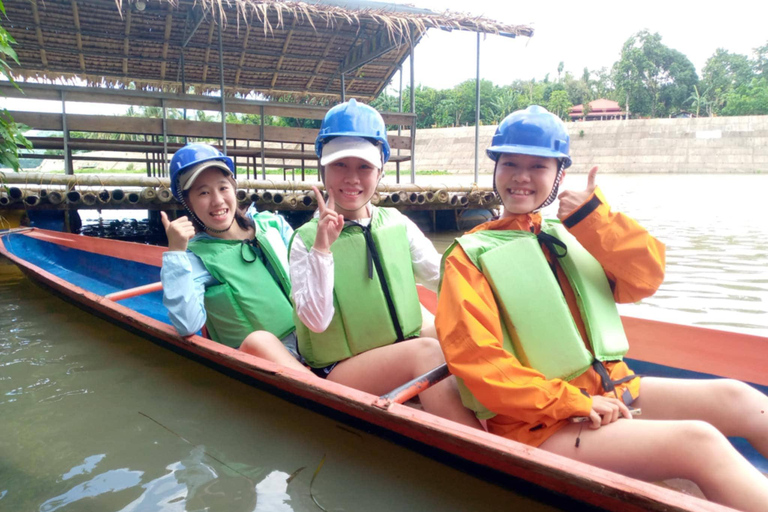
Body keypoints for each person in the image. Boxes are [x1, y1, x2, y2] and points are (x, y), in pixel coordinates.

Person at [435, 105, 768, 511]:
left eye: (538, 166)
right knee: (698, 443)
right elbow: (479, 363)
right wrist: (577, 403)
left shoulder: (574, 230)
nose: (521, 177)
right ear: (495, 168)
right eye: (510, 164)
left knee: (743, 399)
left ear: (559, 174)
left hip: (612, 389)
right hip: (541, 425)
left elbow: (645, 279)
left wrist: (596, 218)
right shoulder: (468, 257)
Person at [289, 99, 480, 428]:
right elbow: (316, 321)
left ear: (380, 171)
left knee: (463, 332)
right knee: (427, 353)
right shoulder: (305, 241)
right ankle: (481, 444)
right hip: (341, 369)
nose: (352, 179)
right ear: (323, 169)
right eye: (340, 166)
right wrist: (323, 248)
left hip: (396, 346)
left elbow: (443, 277)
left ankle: (504, 411)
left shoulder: (396, 222)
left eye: (363, 167)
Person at [160, 143, 312, 375]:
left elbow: (311, 278)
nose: (218, 201)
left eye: (223, 188)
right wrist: (175, 253)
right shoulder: (194, 258)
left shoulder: (272, 224)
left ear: (234, 188)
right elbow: (187, 325)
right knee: (260, 341)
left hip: (313, 339)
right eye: (203, 192)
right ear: (187, 203)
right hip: (265, 361)